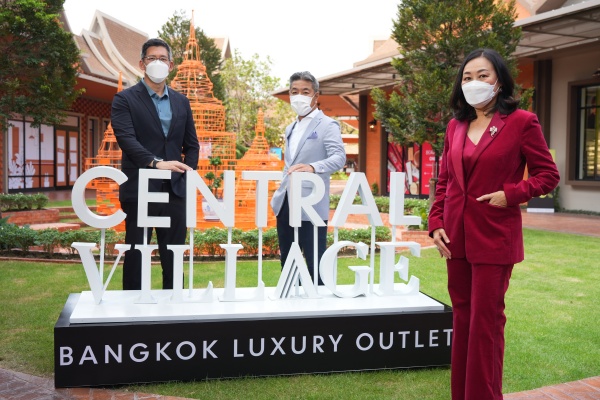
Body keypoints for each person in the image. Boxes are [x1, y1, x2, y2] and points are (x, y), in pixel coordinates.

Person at [428, 48, 559, 400]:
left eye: (482, 75)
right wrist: (436, 221)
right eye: (467, 77)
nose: (474, 82)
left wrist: (510, 194)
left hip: (495, 237)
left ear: (499, 81)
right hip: (455, 238)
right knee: (463, 319)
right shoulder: (455, 126)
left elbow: (548, 175)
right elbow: (446, 181)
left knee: (485, 323)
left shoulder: (522, 122)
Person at [111, 38, 200, 290]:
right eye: (152, 58)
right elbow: (126, 139)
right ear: (142, 64)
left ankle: (174, 306)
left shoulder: (181, 102)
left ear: (170, 65)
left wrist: (186, 173)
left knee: (174, 256)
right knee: (136, 253)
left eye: (163, 59)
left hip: (174, 190)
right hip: (139, 187)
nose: (157, 63)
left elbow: (192, 145)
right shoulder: (124, 99)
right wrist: (155, 163)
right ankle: (132, 308)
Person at [271, 71, 346, 285]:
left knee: (315, 265)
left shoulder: (327, 125)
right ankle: (289, 302)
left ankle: (318, 304)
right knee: (288, 263)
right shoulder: (290, 128)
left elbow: (339, 158)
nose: (299, 96)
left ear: (316, 96)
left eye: (305, 92)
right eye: (294, 92)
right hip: (285, 203)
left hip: (311, 204)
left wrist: (313, 167)